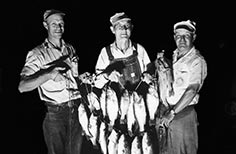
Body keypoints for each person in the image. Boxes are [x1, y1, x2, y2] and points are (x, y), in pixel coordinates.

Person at [18, 9, 84, 154]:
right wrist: (48, 75)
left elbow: (73, 78)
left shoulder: (70, 48)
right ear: (45, 25)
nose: (59, 28)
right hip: (56, 114)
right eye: (54, 24)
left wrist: (80, 77)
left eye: (61, 23)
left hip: (77, 110)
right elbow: (22, 86)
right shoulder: (37, 53)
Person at [157, 20, 207, 154]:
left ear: (194, 37)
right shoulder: (175, 55)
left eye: (186, 36)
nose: (182, 40)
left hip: (183, 114)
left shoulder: (197, 60)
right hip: (168, 112)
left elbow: (192, 90)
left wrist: (172, 113)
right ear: (174, 38)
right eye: (178, 36)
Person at [94, 12, 151, 92]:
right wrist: (107, 75)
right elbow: (97, 84)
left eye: (127, 26)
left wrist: (148, 75)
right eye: (119, 27)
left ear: (131, 28)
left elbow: (150, 72)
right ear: (112, 30)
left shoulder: (139, 49)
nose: (124, 30)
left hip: (139, 100)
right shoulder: (106, 52)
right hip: (115, 101)